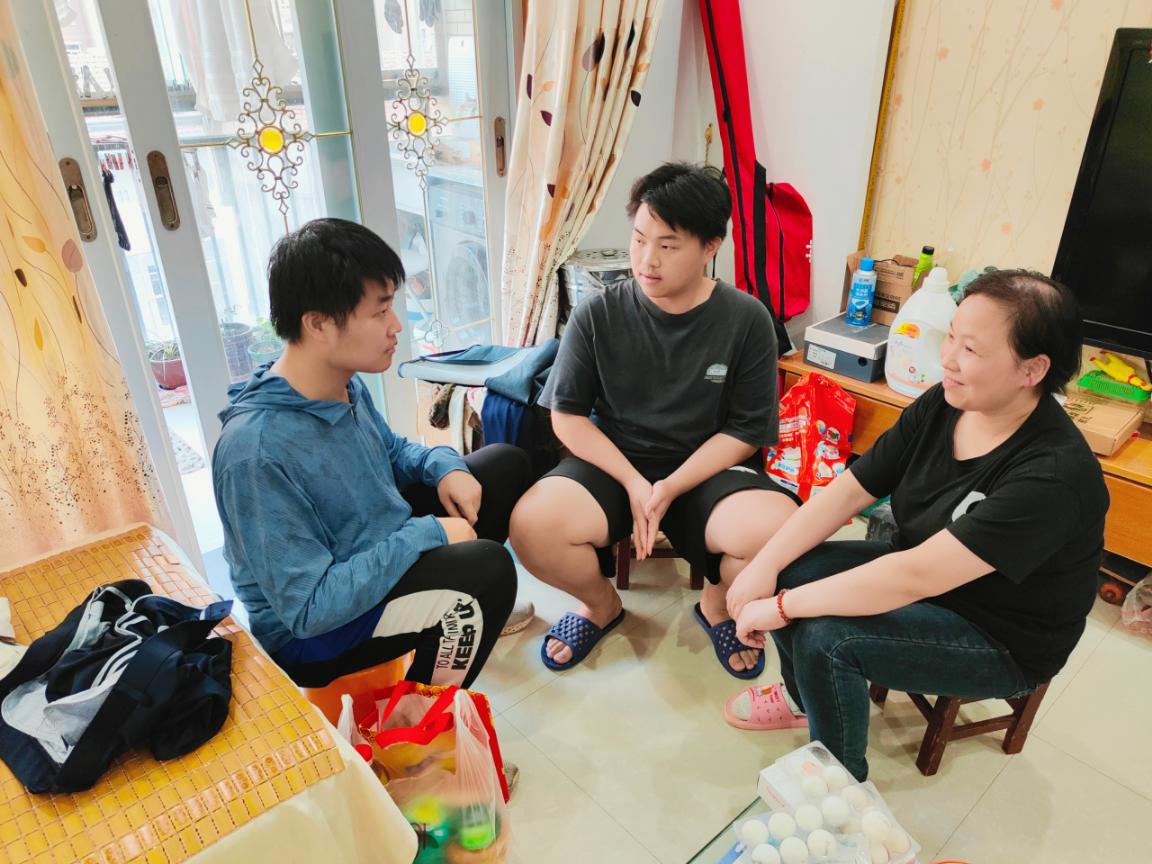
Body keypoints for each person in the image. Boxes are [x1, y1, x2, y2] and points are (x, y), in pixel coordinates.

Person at [723, 270, 1108, 781]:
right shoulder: (947, 402)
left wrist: (778, 607)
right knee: (791, 570)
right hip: (926, 574)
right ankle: (805, 701)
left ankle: (840, 786)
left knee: (825, 637)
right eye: (951, 336)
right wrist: (765, 565)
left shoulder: (1053, 475)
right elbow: (852, 488)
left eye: (970, 349)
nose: (947, 358)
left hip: (1000, 633)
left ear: (1032, 369)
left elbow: (914, 577)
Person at [212, 218, 531, 689]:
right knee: (488, 572)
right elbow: (308, 610)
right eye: (380, 311)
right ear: (318, 324)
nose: (396, 325)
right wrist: (426, 534)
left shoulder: (341, 383)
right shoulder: (255, 453)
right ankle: (421, 718)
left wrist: (445, 467)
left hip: (371, 549)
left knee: (504, 466)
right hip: (316, 635)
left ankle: (463, 613)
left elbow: (391, 452)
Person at [509, 163, 801, 675]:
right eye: (640, 239)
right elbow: (568, 416)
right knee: (532, 525)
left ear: (711, 246)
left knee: (780, 532)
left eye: (668, 245)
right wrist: (633, 481)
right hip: (616, 461)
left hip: (707, 469)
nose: (647, 259)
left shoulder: (747, 318)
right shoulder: (598, 314)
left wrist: (670, 487)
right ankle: (600, 606)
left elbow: (745, 430)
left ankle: (716, 606)